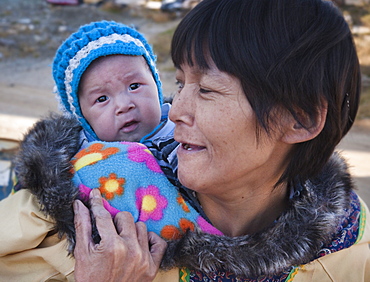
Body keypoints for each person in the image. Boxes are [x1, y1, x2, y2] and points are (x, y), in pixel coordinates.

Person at [73, 0, 370, 281]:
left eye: (206, 89)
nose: (175, 111)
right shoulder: (90, 222)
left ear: (300, 118)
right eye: (180, 83)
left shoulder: (350, 254)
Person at [0, 20, 196, 281]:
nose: (124, 105)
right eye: (102, 99)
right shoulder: (79, 158)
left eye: (134, 86)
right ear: (83, 117)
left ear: (157, 84)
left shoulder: (185, 129)